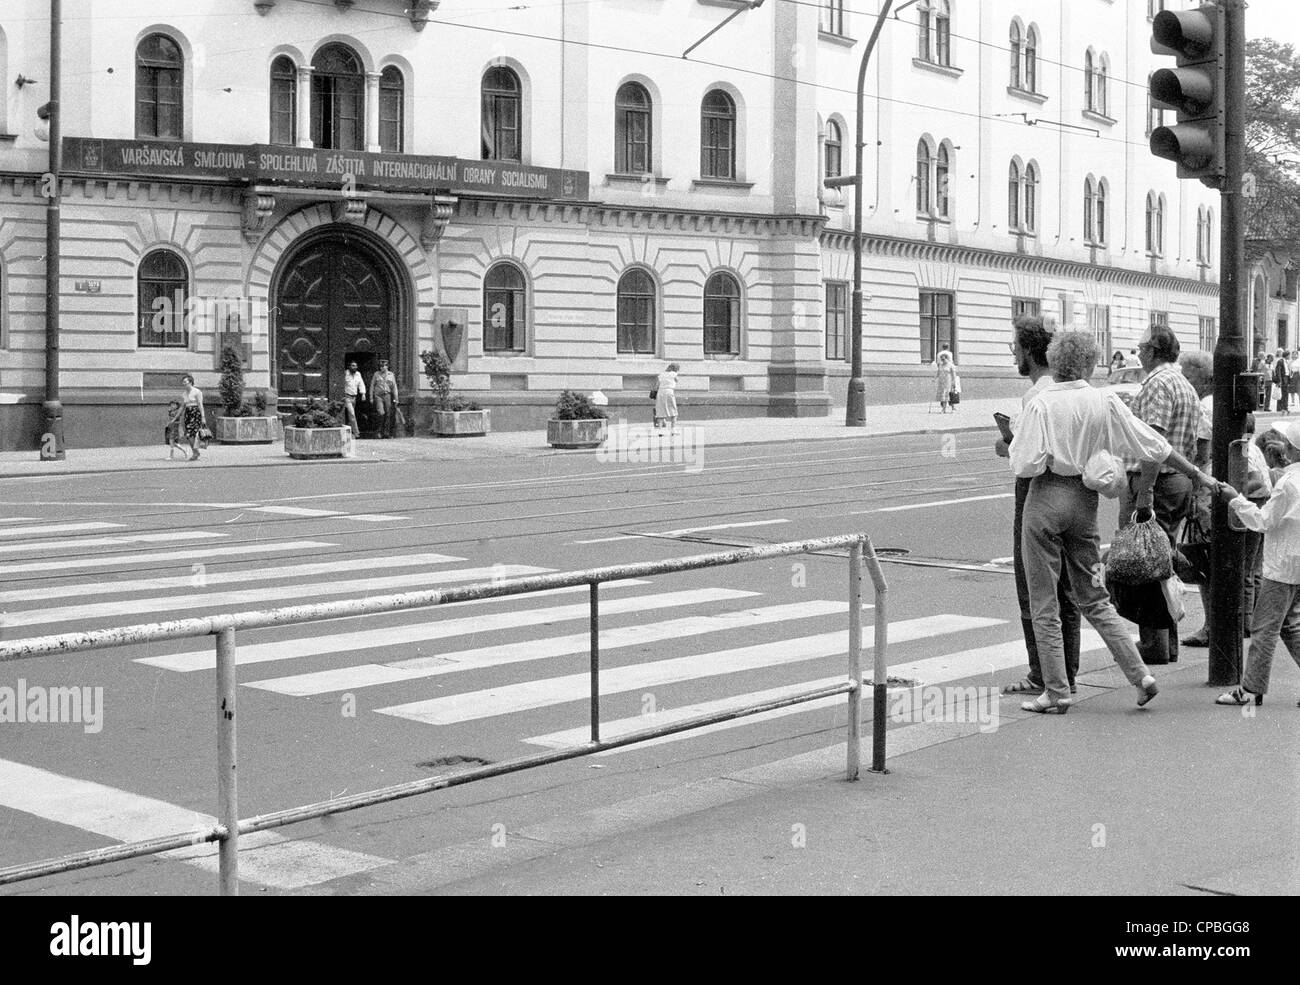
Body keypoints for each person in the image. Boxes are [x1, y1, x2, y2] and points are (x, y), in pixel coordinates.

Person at [1009, 331, 1205, 713]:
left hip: (1045, 497)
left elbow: (1024, 463)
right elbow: (1151, 442)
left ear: (1056, 361)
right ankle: (1140, 675)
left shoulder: (1041, 404)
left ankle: (1056, 689)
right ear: (1089, 363)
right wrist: (1196, 473)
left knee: (1044, 600)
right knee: (1095, 597)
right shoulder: (1104, 400)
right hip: (1085, 503)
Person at [996, 317, 1082, 696]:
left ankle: (1041, 673)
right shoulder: (1068, 388)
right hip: (1075, 493)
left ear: (1030, 352)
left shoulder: (1035, 397)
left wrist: (1008, 445)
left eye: (1015, 346)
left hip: (1036, 491)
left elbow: (1027, 457)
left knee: (1033, 582)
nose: (1013, 352)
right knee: (1068, 587)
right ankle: (1068, 671)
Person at [1119, 325, 1200, 666]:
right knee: (1162, 563)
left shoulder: (1157, 384)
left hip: (1159, 483)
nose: (1138, 353)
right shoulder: (1183, 384)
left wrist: (1145, 495)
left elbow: (1153, 443)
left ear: (1152, 351)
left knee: (1147, 564)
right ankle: (1166, 643)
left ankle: (1154, 642)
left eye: (1140, 348)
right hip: (1178, 481)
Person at [1213, 419, 1300, 706]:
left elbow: (1264, 521)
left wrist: (1235, 500)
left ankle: (1250, 690)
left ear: (1289, 448)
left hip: (1283, 563)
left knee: (1264, 629)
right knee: (1289, 624)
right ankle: (1252, 688)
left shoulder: (1288, 483)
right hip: (1296, 562)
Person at [180, 373, 206, 461]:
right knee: (188, 434)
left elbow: (200, 405)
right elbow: (183, 406)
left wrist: (203, 417)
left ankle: (195, 452)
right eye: (183, 382)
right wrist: (176, 417)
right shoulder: (184, 393)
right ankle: (195, 452)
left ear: (190, 382)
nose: (183, 383)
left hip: (195, 413)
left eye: (185, 382)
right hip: (188, 413)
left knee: (192, 434)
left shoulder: (197, 392)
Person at [370, 359, 398, 439]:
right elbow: (372, 386)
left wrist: (396, 398)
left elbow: (394, 387)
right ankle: (379, 432)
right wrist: (371, 397)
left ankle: (387, 433)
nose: (381, 368)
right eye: (380, 366)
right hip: (378, 396)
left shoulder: (391, 375)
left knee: (388, 414)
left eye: (383, 366)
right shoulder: (376, 374)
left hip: (387, 396)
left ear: (387, 366)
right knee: (381, 413)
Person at [654, 363, 680, 434]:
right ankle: (673, 429)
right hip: (669, 392)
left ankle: (660, 430)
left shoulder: (661, 375)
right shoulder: (674, 374)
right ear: (676, 369)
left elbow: (656, 386)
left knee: (660, 411)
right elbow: (677, 381)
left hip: (660, 393)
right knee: (673, 410)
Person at [344, 360, 366, 437]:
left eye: (355, 366)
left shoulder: (358, 374)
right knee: (352, 414)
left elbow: (361, 384)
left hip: (354, 398)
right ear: (349, 366)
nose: (354, 367)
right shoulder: (345, 373)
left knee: (350, 415)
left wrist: (363, 393)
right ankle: (357, 433)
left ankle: (349, 433)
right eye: (353, 365)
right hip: (347, 397)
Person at [934, 348, 960, 413]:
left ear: (946, 358)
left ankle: (945, 409)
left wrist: (954, 382)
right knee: (943, 396)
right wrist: (934, 379)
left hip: (948, 381)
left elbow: (954, 374)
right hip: (941, 382)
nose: (942, 360)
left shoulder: (950, 365)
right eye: (941, 359)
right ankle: (949, 408)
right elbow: (938, 372)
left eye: (943, 359)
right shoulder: (940, 365)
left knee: (947, 395)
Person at [1273, 349, 1290, 413]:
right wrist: (1279, 381)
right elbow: (1278, 372)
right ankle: (1279, 408)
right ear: (1286, 355)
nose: (1289, 357)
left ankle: (1285, 407)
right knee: (1281, 394)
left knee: (1286, 394)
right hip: (1282, 379)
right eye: (1289, 355)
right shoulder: (1280, 361)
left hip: (1286, 378)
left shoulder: (1287, 362)